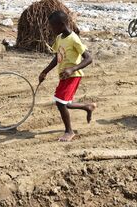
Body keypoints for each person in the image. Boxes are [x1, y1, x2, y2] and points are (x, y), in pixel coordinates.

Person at [39, 11, 96, 142]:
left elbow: (89, 58)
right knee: (66, 103)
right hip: (64, 76)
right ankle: (88, 107)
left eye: (53, 26)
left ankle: (69, 131)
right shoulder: (59, 38)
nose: (51, 29)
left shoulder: (74, 39)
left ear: (62, 24)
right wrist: (45, 71)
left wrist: (72, 69)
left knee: (60, 102)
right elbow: (57, 57)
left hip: (73, 75)